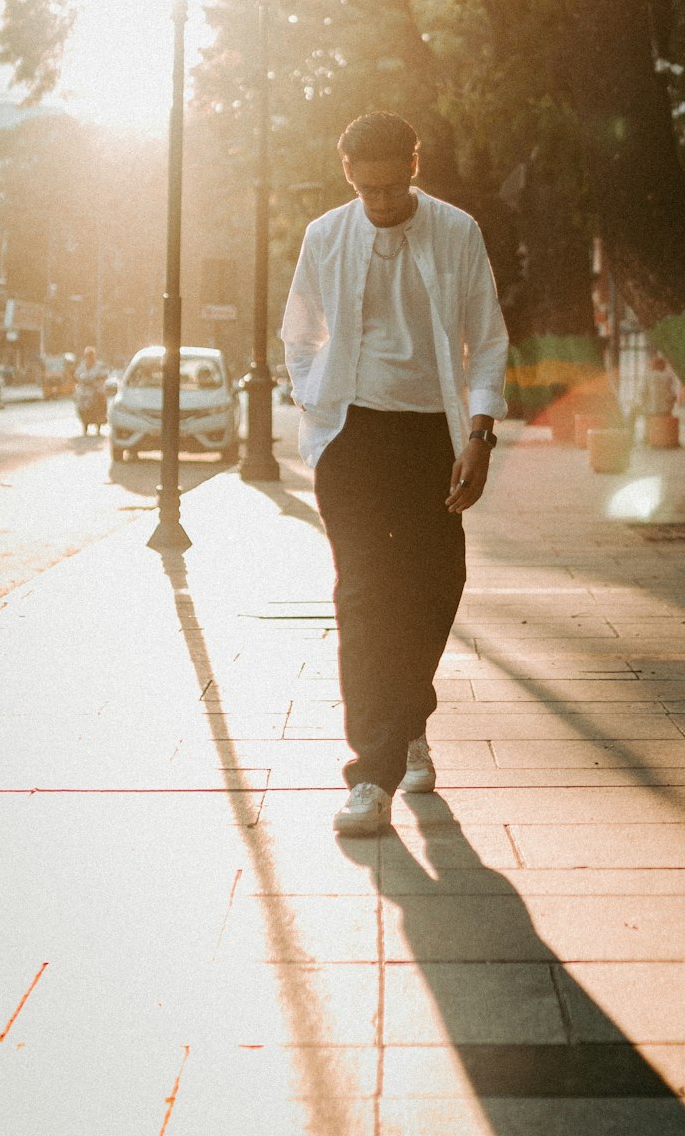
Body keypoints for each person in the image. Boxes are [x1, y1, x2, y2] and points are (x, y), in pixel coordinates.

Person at [280, 112, 509, 836]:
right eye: (364, 187)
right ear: (347, 171)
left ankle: (408, 718)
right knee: (366, 591)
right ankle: (371, 776)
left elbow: (489, 338)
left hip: (431, 436)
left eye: (391, 185)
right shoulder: (326, 236)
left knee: (439, 580)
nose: (379, 201)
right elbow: (299, 334)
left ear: (415, 164)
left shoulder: (457, 231)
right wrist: (320, 413)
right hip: (353, 434)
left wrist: (479, 433)